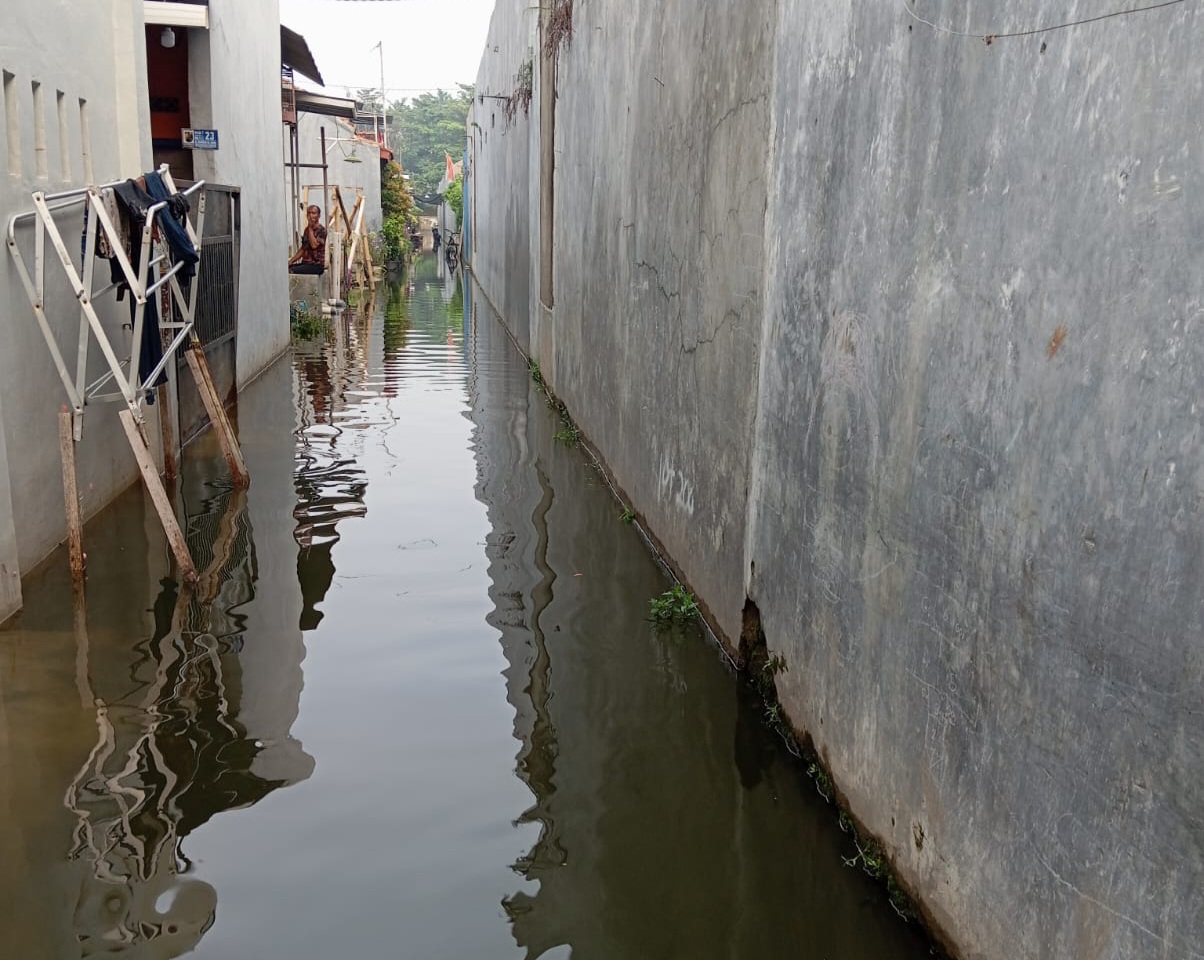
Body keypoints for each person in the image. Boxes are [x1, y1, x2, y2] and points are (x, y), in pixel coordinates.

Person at [289, 205, 327, 274]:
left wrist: (310, 227)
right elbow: (303, 249)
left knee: (291, 271)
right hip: (306, 264)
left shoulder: (322, 230)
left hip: (316, 266)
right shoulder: (306, 230)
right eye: (309, 213)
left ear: (318, 215)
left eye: (313, 213)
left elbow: (314, 245)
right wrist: (290, 261)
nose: (310, 215)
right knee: (287, 268)